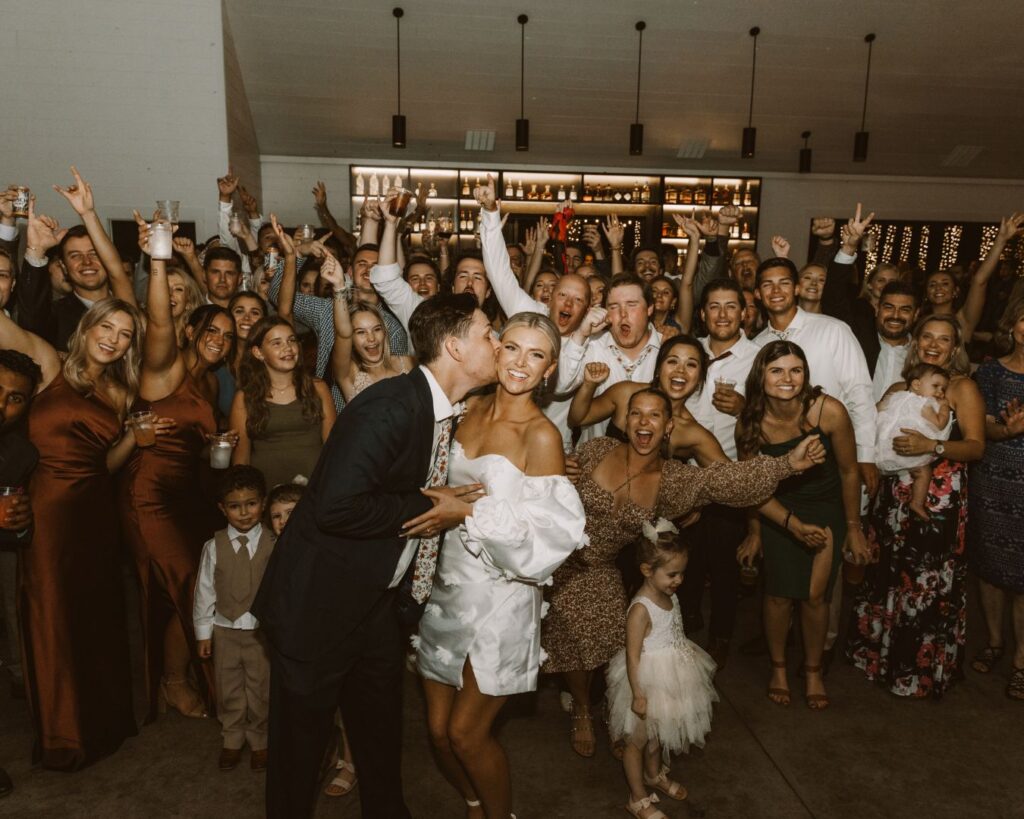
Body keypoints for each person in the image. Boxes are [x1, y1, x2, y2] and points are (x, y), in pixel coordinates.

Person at [253, 293, 500, 818]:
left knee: (381, 743)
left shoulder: (445, 411)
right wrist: (435, 504)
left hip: (375, 606)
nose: (497, 344)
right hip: (316, 609)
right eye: (488, 334)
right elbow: (337, 508)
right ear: (455, 347)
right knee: (298, 759)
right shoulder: (389, 407)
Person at [542, 388, 825, 758]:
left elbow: (727, 481)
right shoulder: (594, 452)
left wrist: (787, 464)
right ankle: (582, 707)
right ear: (626, 423)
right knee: (574, 624)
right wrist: (556, 466)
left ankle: (612, 712)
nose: (644, 422)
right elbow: (543, 481)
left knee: (613, 632)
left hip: (598, 566)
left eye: (655, 416)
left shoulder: (673, 480)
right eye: (637, 414)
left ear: (669, 426)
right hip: (550, 554)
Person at [417, 313, 585, 819]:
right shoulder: (465, 410)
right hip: (443, 589)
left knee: (468, 734)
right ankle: (473, 802)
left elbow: (549, 539)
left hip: (502, 599)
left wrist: (467, 510)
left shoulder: (541, 436)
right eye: (511, 348)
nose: (519, 363)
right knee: (439, 734)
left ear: (550, 370)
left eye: (535, 355)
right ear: (495, 349)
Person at [4, 297, 144, 769]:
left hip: (94, 514)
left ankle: (102, 724)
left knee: (96, 616)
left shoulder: (121, 393)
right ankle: (62, 736)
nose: (113, 338)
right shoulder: (49, 366)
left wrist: (132, 440)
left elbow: (101, 466)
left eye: (125, 333)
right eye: (107, 326)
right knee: (50, 616)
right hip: (44, 512)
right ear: (87, 327)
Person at [121, 217, 236, 720]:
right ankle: (202, 687)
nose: (218, 339)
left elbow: (198, 438)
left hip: (189, 493)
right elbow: (160, 320)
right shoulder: (162, 366)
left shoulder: (211, 385)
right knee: (187, 585)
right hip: (148, 495)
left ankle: (175, 678)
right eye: (210, 330)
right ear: (191, 329)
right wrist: (159, 257)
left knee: (184, 593)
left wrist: (215, 443)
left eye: (227, 336)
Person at [847, 315, 986, 698]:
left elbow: (976, 446)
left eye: (944, 339)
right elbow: (870, 427)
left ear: (955, 348)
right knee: (888, 573)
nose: (933, 344)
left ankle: (917, 670)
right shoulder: (899, 386)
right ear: (915, 340)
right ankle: (879, 657)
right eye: (927, 336)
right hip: (892, 493)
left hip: (937, 498)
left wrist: (933, 447)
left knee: (922, 583)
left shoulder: (961, 388)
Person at [736, 341, 869, 709]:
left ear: (806, 375)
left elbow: (848, 471)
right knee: (777, 594)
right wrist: (755, 532)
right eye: (777, 370)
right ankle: (778, 668)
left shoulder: (829, 411)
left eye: (796, 370)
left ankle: (812, 670)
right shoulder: (750, 422)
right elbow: (752, 486)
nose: (787, 378)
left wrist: (854, 527)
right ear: (761, 376)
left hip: (827, 510)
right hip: (777, 510)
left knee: (815, 596)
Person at [605, 521, 717, 819]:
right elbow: (631, 656)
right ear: (646, 570)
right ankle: (637, 797)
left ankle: (654, 775)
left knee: (660, 733)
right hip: (647, 680)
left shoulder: (670, 594)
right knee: (637, 741)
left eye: (681, 573)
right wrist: (638, 693)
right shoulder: (641, 609)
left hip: (673, 676)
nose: (678, 580)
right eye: (672, 574)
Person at [681, 277, 761, 663]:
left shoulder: (758, 357)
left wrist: (745, 407)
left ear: (744, 313)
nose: (723, 314)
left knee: (725, 563)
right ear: (703, 313)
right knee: (685, 557)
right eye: (714, 306)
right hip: (685, 472)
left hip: (730, 472)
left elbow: (777, 415)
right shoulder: (689, 351)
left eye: (731, 306)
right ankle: (686, 620)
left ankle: (722, 635)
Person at [194, 465, 275, 772]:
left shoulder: (273, 543)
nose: (244, 513)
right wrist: (203, 633)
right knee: (229, 688)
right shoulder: (212, 547)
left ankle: (260, 740)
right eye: (235, 506)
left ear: (263, 503)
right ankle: (231, 739)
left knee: (260, 689)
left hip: (260, 634)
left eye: (251, 504)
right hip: (224, 631)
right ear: (222, 508)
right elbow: (204, 591)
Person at [967, 299, 1024, 700]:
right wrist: (1007, 428)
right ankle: (993, 642)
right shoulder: (990, 370)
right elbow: (980, 426)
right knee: (989, 568)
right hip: (992, 480)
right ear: (1013, 326)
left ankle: (1021, 661)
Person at [17, 168, 137, 351]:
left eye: (94, 254)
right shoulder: (55, 314)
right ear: (64, 267)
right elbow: (31, 321)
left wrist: (88, 214)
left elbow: (117, 272)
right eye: (75, 256)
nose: (86, 262)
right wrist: (37, 251)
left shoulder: (127, 307)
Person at [230, 316, 335, 488]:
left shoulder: (318, 388)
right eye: (277, 343)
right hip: (267, 497)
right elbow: (241, 461)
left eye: (291, 340)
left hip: (316, 493)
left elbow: (333, 449)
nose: (288, 348)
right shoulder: (244, 398)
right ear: (258, 352)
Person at [557, 274, 663, 441]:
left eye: (632, 305)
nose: (623, 314)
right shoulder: (592, 346)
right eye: (614, 306)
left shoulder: (668, 351)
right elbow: (560, 385)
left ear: (649, 308)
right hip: (593, 462)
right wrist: (581, 333)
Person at [0, 350, 41, 704]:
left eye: (14, 399)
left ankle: (19, 671)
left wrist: (22, 524)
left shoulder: (20, 453)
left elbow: (13, 531)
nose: (1, 405)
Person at [321, 253, 414, 403]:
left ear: (385, 331)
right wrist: (339, 287)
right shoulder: (348, 373)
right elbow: (343, 333)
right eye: (361, 332)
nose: (371, 338)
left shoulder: (406, 363)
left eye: (376, 329)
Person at [875, 364, 952, 520]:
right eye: (936, 386)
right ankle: (917, 502)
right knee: (924, 471)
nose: (940, 392)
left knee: (876, 476)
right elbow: (939, 423)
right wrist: (944, 408)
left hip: (884, 448)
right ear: (916, 384)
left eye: (943, 389)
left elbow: (876, 410)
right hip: (908, 449)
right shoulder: (926, 404)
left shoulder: (895, 396)